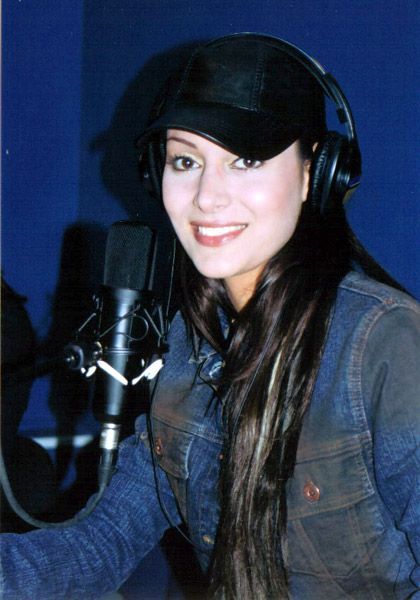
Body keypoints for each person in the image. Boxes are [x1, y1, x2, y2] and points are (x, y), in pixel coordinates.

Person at [1, 33, 419, 599]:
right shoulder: (188, 345)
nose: (206, 197)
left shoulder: (386, 345)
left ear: (315, 174)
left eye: (246, 160)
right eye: (186, 160)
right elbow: (105, 538)